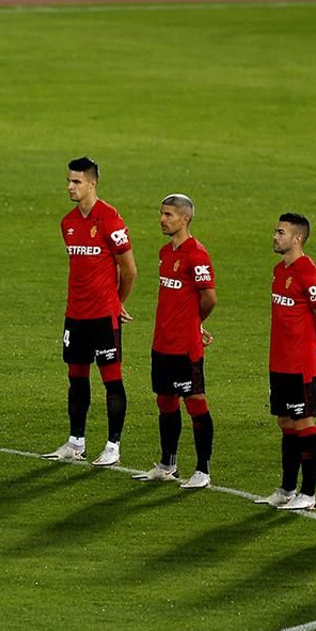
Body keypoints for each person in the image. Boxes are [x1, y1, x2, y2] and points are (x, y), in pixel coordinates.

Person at [45, 157, 137, 465]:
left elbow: (130, 270)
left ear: (92, 183)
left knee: (111, 379)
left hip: (103, 316)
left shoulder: (110, 219)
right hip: (75, 315)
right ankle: (76, 442)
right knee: (76, 378)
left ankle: (113, 446)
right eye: (68, 181)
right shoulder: (68, 223)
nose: (70, 187)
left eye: (77, 182)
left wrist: (117, 303)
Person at [133, 195, 217, 488]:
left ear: (185, 218)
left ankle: (203, 471)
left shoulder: (196, 255)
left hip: (185, 347)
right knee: (165, 401)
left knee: (195, 403)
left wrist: (195, 323)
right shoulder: (165, 253)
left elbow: (209, 298)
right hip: (162, 343)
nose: (162, 219)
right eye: (161, 213)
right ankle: (167, 464)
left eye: (168, 215)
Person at [254, 213, 316, 511]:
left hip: (301, 364)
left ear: (297, 238)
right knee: (285, 422)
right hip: (279, 362)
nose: (275, 237)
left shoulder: (309, 273)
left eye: (281, 232)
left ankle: (308, 494)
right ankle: (287, 489)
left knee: (304, 423)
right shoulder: (279, 270)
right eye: (276, 231)